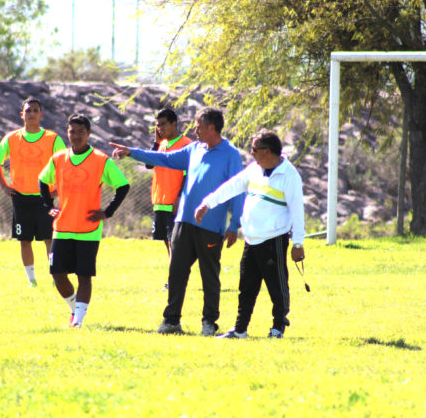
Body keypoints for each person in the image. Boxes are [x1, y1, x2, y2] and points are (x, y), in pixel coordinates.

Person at [110, 107, 243, 336]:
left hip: (211, 227)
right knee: (176, 271)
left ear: (212, 127)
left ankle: (209, 323)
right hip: (183, 222)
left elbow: (237, 191)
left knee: (209, 275)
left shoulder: (231, 154)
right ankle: (171, 321)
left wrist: (234, 224)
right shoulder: (193, 149)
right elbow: (163, 158)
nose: (195, 129)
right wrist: (132, 152)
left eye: (199, 125)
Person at [194, 129, 305, 339]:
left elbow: (297, 211)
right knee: (246, 288)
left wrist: (297, 243)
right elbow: (232, 186)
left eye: (254, 150)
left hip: (273, 239)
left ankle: (277, 328)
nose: (252, 154)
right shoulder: (255, 169)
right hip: (251, 239)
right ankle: (240, 330)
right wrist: (207, 203)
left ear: (267, 151)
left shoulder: (289, 176)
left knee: (277, 288)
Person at [39, 114, 129, 328]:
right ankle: (74, 310)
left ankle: (78, 321)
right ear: (67, 133)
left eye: (81, 132)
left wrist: (107, 212)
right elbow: (42, 181)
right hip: (62, 227)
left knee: (84, 276)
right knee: (57, 275)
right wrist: (48, 207)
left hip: (89, 229)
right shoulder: (58, 158)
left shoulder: (100, 160)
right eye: (72, 132)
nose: (76, 136)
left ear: (88, 134)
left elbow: (123, 186)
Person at [0, 96, 66, 287]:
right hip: (21, 198)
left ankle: (54, 277)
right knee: (24, 240)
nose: (31, 113)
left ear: (41, 114)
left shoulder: (53, 139)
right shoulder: (12, 138)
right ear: (21, 114)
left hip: (45, 198)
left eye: (35, 110)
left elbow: (65, 166)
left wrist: (58, 190)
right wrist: (4, 186)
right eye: (28, 110)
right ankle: (31, 281)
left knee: (49, 238)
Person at [144, 109, 192, 288]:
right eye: (157, 125)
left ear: (174, 124)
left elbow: (189, 175)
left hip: (175, 202)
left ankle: (174, 281)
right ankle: (176, 277)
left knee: (176, 244)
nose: (160, 128)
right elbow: (149, 164)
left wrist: (180, 197)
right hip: (160, 202)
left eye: (163, 124)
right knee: (169, 243)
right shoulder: (162, 144)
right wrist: (156, 143)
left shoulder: (186, 144)